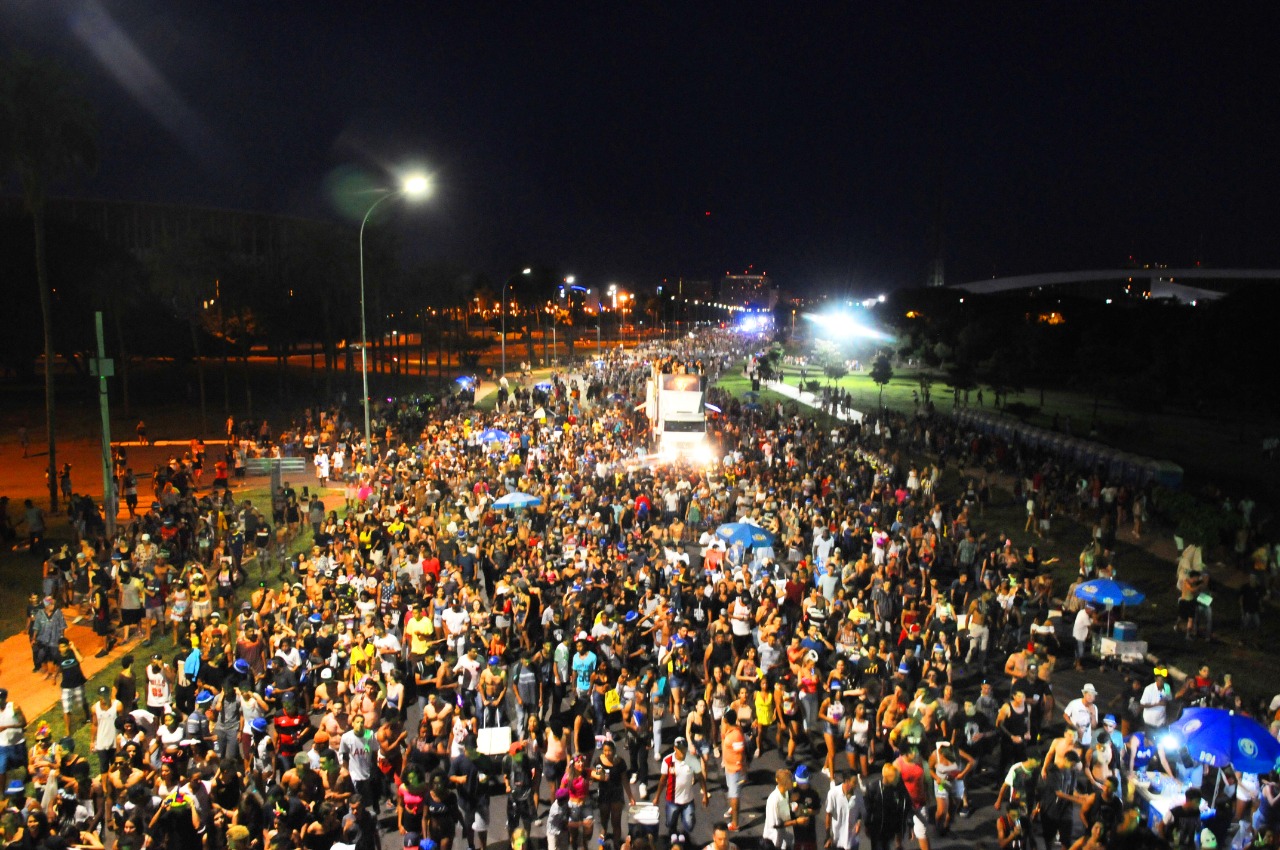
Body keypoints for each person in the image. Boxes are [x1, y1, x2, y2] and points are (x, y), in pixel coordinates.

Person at [654, 736, 709, 844]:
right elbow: (662, 781)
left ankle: (683, 834)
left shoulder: (692, 760)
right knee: (671, 823)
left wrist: (705, 795)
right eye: (679, 748)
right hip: (672, 800)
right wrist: (657, 797)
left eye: (684, 748)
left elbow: (700, 777)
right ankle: (673, 833)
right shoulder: (667, 761)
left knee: (689, 824)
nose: (682, 751)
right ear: (675, 748)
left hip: (688, 800)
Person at [862, 763, 913, 850]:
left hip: (890, 827)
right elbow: (868, 807)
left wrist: (909, 824)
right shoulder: (873, 787)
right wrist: (867, 824)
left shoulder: (898, 787)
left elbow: (906, 805)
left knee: (886, 846)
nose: (897, 779)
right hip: (877, 827)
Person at [720, 716, 749, 831]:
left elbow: (740, 753)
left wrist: (742, 768)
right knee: (732, 791)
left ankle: (735, 824)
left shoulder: (736, 734)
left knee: (734, 794)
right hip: (729, 767)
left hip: (735, 769)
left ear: (726, 721)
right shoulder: (729, 730)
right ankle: (732, 808)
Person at [823, 771, 865, 850]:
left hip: (852, 840)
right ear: (847, 781)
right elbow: (828, 815)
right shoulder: (833, 794)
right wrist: (828, 836)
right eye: (854, 782)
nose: (856, 785)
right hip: (837, 840)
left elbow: (860, 811)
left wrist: (859, 823)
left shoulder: (858, 795)